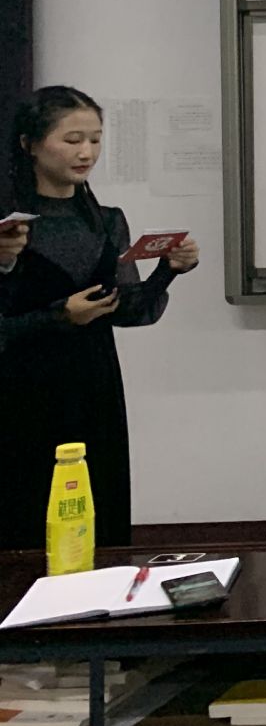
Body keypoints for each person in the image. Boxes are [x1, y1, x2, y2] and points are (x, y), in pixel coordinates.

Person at [0, 87, 198, 550]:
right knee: (24, 507)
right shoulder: (8, 227)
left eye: (95, 139)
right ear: (30, 144)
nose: (86, 152)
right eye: (72, 140)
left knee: (97, 503)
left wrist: (167, 270)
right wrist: (57, 317)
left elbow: (129, 309)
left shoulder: (107, 221)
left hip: (93, 382)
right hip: (20, 388)